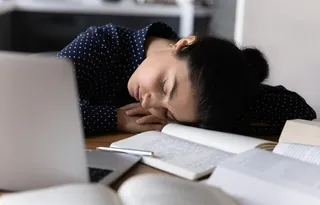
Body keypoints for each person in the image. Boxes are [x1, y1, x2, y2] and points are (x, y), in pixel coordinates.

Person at [57, 22, 316, 137]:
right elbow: (28, 105)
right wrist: (117, 119)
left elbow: (298, 111)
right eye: (163, 86)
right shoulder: (103, 44)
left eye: (168, 112)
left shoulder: (208, 88)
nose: (149, 105)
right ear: (183, 44)